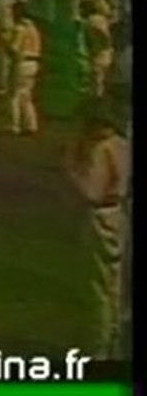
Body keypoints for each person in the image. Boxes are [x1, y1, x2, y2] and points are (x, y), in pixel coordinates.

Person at [66, 106, 130, 360]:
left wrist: (72, 170)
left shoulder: (100, 149)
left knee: (98, 287)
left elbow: (91, 192)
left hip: (100, 217)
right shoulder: (123, 144)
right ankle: (114, 341)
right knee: (115, 282)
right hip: (119, 214)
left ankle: (98, 348)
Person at [9, 3, 42, 136]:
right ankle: (31, 124)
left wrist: (6, 42)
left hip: (22, 63)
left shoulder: (20, 29)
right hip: (34, 62)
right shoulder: (34, 29)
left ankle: (14, 126)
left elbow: (14, 48)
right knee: (27, 96)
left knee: (15, 96)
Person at [82, 0, 114, 99]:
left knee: (96, 85)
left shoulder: (93, 20)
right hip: (103, 56)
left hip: (97, 57)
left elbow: (103, 39)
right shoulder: (101, 20)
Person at [0, 0, 17, 97]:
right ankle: (4, 85)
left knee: (3, 59)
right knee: (6, 61)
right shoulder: (9, 0)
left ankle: (3, 85)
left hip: (3, 29)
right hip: (7, 29)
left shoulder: (0, 0)